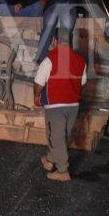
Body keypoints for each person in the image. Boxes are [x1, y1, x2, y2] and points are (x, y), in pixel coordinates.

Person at [33, 28, 87, 182]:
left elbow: (38, 82)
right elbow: (82, 82)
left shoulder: (50, 59)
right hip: (73, 105)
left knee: (55, 136)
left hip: (55, 105)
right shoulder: (81, 60)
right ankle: (50, 161)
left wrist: (36, 96)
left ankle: (63, 170)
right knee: (61, 136)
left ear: (55, 41)